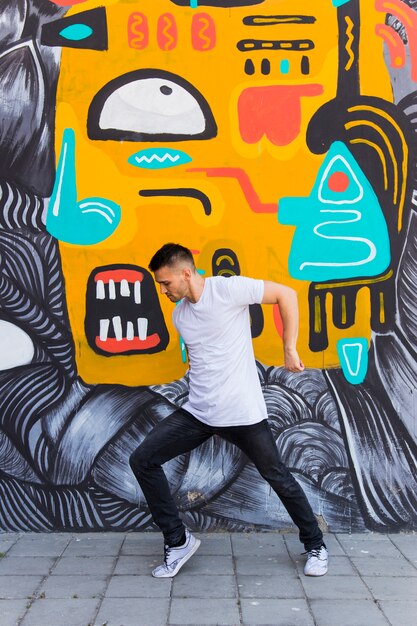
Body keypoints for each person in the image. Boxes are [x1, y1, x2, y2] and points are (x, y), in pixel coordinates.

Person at [129, 243, 328, 578]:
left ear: (186, 273)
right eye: (160, 285)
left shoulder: (228, 290)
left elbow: (286, 294)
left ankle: (316, 545)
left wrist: (289, 348)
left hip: (242, 414)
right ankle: (178, 542)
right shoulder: (181, 315)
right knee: (142, 459)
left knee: (277, 476)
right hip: (200, 413)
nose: (163, 290)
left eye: (166, 283)